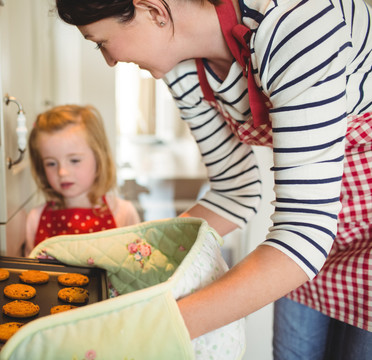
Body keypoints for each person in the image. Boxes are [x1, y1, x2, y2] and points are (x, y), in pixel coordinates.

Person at [54, 0, 372, 358]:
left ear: (153, 11)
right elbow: (235, 192)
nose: (109, 60)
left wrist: (144, 329)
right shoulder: (181, 67)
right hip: (306, 248)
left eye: (100, 42)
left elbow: (304, 231)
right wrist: (130, 253)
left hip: (330, 241)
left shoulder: (298, 21)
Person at [24, 104, 141, 255]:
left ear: (99, 158)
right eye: (51, 163)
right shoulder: (35, 218)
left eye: (74, 160)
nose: (62, 172)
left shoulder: (124, 213)